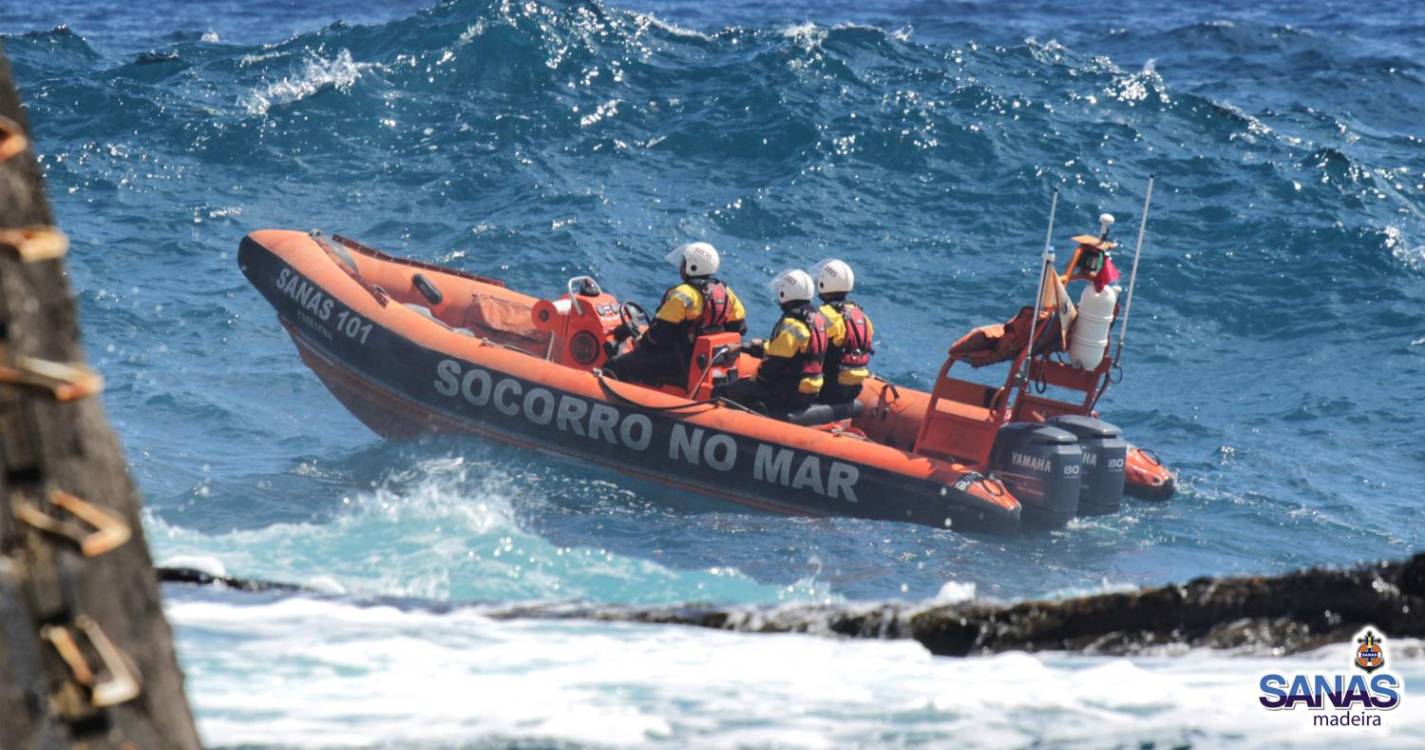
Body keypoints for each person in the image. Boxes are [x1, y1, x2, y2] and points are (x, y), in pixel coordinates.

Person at [603, 241, 746, 387]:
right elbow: (740, 328)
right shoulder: (726, 293)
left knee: (615, 366)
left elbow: (658, 337)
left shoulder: (683, 294)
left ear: (693, 266)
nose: (681, 267)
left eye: (684, 263)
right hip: (702, 361)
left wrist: (641, 341)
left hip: (677, 361)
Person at [715, 269, 827, 415]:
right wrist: (759, 346)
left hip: (788, 392)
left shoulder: (792, 323)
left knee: (723, 390)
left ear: (784, 293)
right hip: (810, 390)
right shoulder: (816, 318)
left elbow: (773, 366)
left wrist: (755, 380)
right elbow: (792, 350)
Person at [812, 259, 874, 406]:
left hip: (827, 389)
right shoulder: (862, 317)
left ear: (823, 283)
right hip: (852, 390)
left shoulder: (823, 315)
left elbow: (805, 343)